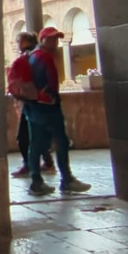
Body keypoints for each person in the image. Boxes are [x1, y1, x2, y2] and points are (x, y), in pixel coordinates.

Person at [25, 27, 92, 197]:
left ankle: (36, 182)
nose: (55, 43)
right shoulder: (45, 57)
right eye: (51, 39)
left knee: (36, 145)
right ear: (43, 40)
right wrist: (53, 99)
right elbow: (52, 84)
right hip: (48, 108)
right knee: (61, 142)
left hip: (33, 107)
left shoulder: (32, 56)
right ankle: (66, 180)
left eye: (56, 39)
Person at [10, 32, 55, 178]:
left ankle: (29, 165)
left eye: (19, 41)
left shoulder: (30, 57)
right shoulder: (38, 55)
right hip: (37, 101)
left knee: (24, 136)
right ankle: (47, 163)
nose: (18, 44)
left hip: (32, 101)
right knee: (36, 134)